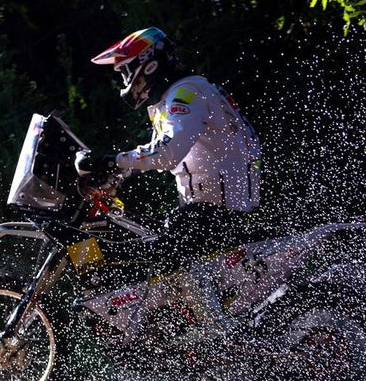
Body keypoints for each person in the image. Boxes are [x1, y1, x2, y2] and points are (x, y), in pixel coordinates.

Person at [74, 27, 261, 274]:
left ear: (147, 65)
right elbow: (161, 155)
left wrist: (112, 160)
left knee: (152, 262)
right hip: (207, 211)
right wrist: (117, 175)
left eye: (125, 71)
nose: (125, 81)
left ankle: (201, 313)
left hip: (216, 214)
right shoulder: (175, 96)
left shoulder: (186, 93)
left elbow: (165, 154)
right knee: (145, 242)